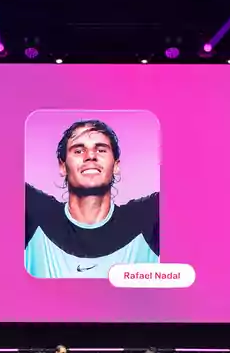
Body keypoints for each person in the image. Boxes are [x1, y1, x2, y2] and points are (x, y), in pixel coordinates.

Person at [24, 118, 159, 278]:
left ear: (116, 166)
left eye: (101, 150)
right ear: (62, 166)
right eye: (78, 151)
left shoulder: (149, 217)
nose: (90, 156)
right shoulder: (33, 212)